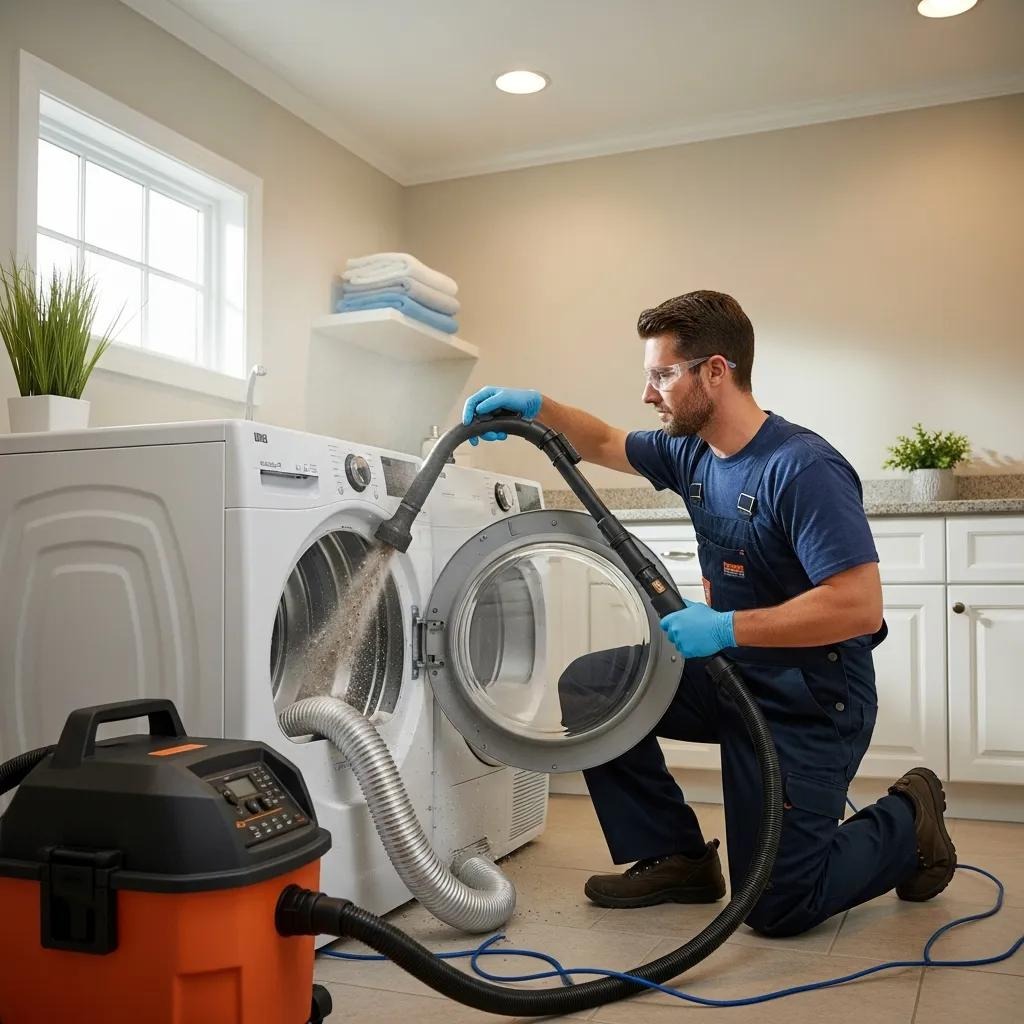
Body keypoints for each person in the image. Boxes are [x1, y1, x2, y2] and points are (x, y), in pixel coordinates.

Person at [462, 289, 955, 937]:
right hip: (732, 673)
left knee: (777, 907)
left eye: (663, 375)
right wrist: (538, 406)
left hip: (810, 699)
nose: (649, 393)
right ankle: (678, 858)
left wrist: (723, 628)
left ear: (716, 372)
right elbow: (607, 439)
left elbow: (858, 607)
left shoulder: (802, 469)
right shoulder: (691, 453)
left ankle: (907, 819)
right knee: (593, 685)